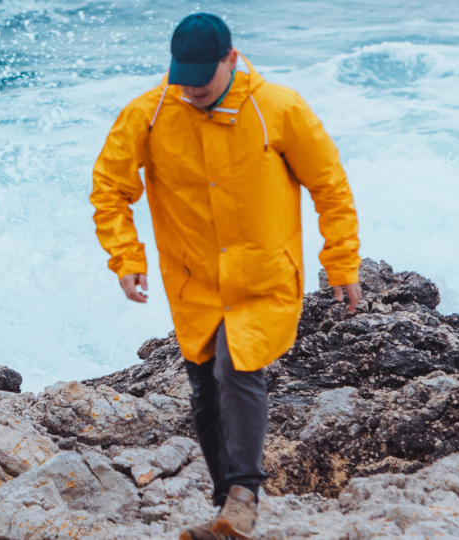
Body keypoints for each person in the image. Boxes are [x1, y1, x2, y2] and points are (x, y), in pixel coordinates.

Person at [88, 12, 364, 540]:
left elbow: (329, 185)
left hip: (263, 276)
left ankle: (244, 494)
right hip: (194, 280)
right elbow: (109, 187)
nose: (190, 90)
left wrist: (342, 262)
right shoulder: (149, 114)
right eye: (181, 80)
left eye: (202, 80)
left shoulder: (278, 109)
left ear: (231, 60)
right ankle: (227, 509)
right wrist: (126, 257)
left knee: (237, 370)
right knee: (203, 388)